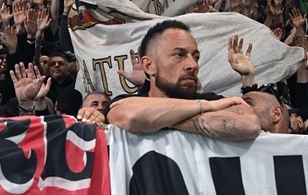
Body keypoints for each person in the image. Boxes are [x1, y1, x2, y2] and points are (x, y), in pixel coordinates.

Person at [106, 20, 260, 140]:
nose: (193, 65)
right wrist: (206, 106)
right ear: (149, 65)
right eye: (179, 55)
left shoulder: (212, 99)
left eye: (196, 57)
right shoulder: (212, 104)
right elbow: (129, 117)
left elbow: (249, 124)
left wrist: (153, 121)